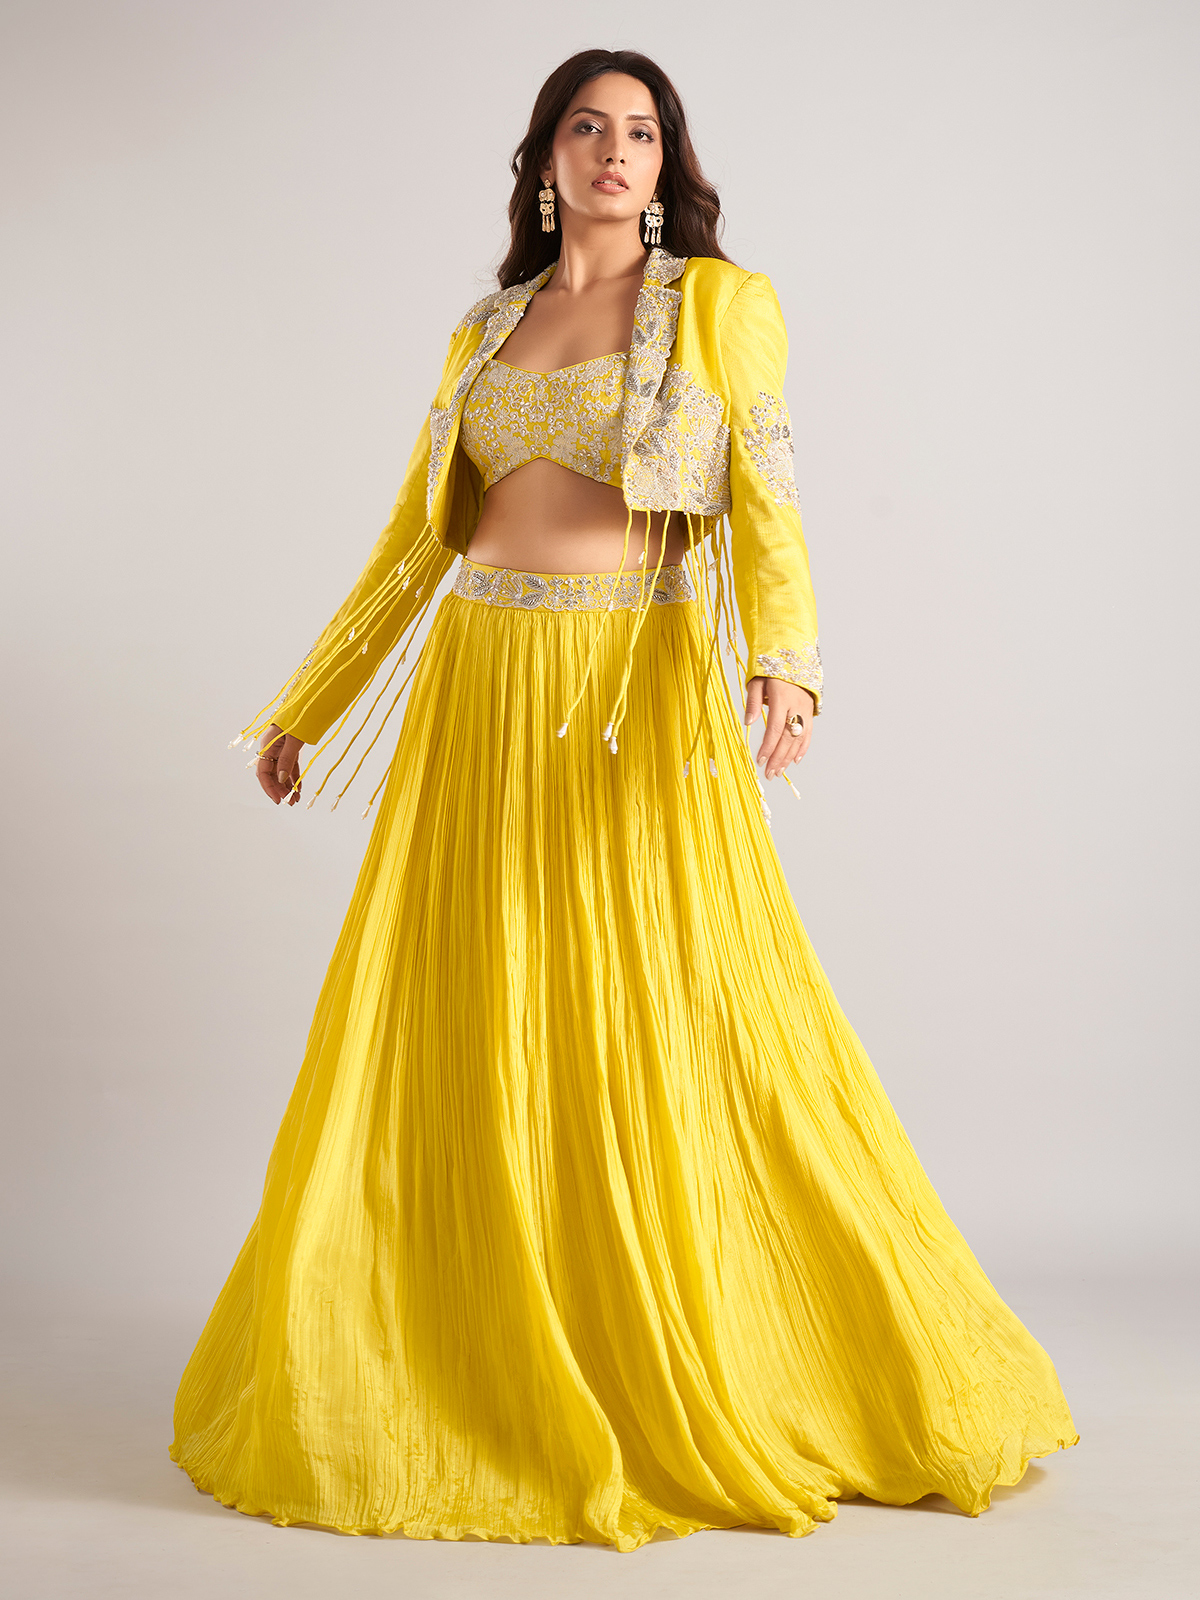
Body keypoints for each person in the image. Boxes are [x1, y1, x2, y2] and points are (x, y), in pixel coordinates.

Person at [170, 48, 1078, 1552]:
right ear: (545, 157)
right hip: (478, 693)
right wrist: (309, 704)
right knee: (468, 1005)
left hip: (627, 697)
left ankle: (706, 1336)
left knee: (666, 1004)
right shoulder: (486, 328)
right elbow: (415, 538)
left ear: (668, 166)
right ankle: (471, 1352)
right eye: (588, 127)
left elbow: (768, 498)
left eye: (642, 133)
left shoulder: (721, 305)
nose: (615, 151)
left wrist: (789, 665)